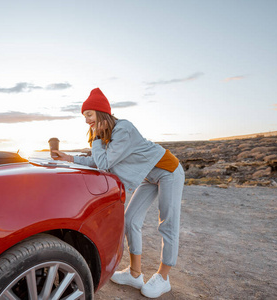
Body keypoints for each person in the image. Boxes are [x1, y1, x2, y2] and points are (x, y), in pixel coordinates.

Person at [53, 88, 185, 298]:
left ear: (100, 111)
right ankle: (135, 274)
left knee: (167, 223)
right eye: (84, 116)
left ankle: (164, 277)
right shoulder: (107, 134)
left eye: (88, 114)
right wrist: (69, 158)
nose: (86, 120)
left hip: (169, 171)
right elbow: (98, 161)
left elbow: (104, 164)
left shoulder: (123, 129)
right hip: (147, 176)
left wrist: (96, 139)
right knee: (130, 219)